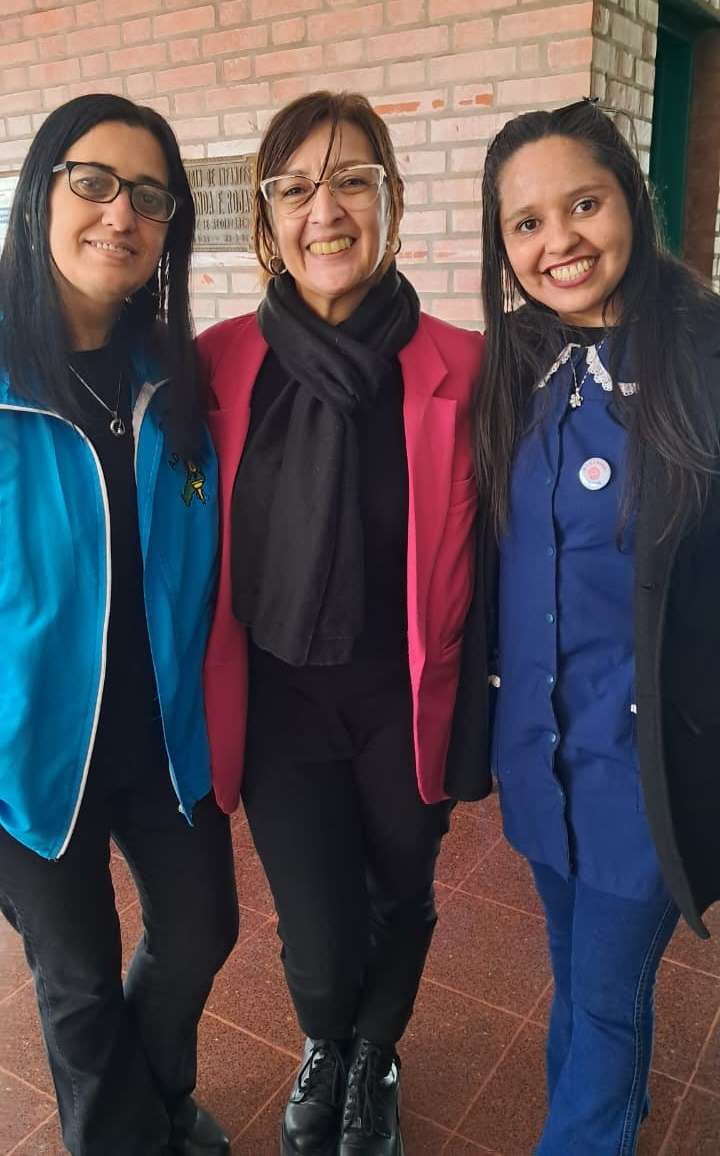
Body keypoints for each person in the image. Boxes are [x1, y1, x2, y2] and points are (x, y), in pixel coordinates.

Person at [198, 90, 482, 1156]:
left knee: (401, 892)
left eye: (353, 180)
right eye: (296, 188)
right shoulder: (218, 364)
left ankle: (375, 1054)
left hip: (404, 696)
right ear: (266, 220)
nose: (326, 209)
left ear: (391, 200)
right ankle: (327, 1035)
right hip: (278, 697)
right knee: (315, 927)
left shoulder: (462, 364)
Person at [446, 98, 720, 1155]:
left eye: (584, 204)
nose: (557, 240)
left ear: (631, 202)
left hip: (643, 775)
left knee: (604, 1005)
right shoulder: (515, 365)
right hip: (540, 764)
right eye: (526, 222)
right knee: (580, 983)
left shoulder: (702, 355)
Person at [0, 94, 239, 1156]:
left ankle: (158, 1100)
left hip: (162, 736)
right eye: (92, 182)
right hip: (27, 754)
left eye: (150, 196)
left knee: (201, 931)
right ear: (39, 194)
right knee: (79, 981)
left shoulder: (174, 379)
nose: (120, 215)